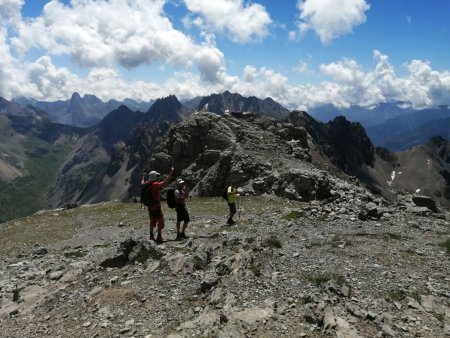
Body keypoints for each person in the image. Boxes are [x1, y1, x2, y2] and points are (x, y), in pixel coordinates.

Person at [142, 167, 174, 244]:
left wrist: (143, 176)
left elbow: (142, 182)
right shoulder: (155, 184)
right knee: (160, 220)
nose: (158, 177)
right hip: (156, 206)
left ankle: (151, 236)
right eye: (157, 176)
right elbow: (164, 183)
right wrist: (170, 173)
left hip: (150, 206)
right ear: (154, 177)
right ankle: (159, 237)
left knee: (152, 220)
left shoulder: (146, 184)